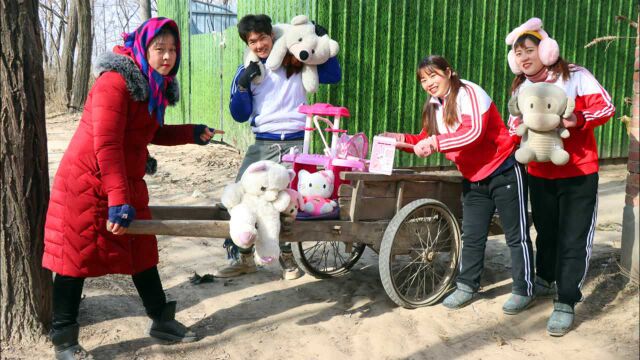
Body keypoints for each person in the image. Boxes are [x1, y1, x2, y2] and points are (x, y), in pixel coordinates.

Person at [42, 18, 222, 359]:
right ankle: (64, 341)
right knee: (73, 259)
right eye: (159, 49)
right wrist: (118, 200)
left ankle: (161, 320)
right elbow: (106, 144)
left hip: (123, 181)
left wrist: (193, 132)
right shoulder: (115, 83)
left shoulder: (152, 87)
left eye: (172, 50)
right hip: (87, 182)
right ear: (144, 49)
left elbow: (149, 133)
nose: (167, 57)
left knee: (141, 251)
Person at [382, 55, 534, 314]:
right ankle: (466, 286)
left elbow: (473, 132)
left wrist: (435, 144)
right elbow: (426, 138)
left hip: (503, 170)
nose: (428, 83)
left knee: (515, 235)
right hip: (473, 177)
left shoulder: (470, 92)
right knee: (472, 236)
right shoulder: (434, 104)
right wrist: (400, 139)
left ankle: (523, 289)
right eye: (423, 79)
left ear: (449, 72)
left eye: (433, 76)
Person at [506, 18, 615, 336]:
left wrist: (574, 117)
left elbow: (605, 107)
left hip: (578, 170)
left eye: (530, 50)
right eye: (519, 53)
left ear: (547, 49)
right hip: (539, 171)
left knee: (573, 237)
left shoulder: (576, 75)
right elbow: (514, 124)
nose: (524, 57)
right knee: (547, 231)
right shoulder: (522, 86)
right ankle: (543, 279)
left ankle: (566, 300)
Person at [214, 14, 341, 280]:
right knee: (240, 197)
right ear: (247, 44)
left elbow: (333, 74)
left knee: (288, 202)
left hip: (296, 142)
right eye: (252, 41)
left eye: (263, 38)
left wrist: (323, 39)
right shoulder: (248, 70)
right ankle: (244, 258)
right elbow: (239, 114)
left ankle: (286, 257)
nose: (259, 45)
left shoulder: (296, 60)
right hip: (264, 143)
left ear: (272, 35)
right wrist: (242, 85)